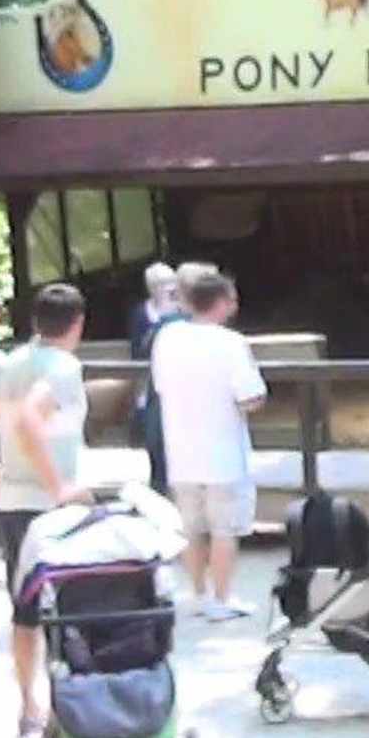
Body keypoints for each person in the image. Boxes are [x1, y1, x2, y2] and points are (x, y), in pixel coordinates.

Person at [0, 282, 90, 738]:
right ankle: (63, 710)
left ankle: (29, 707)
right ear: (77, 325)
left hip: (11, 504)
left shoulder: (11, 364)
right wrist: (59, 487)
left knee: (25, 610)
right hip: (50, 506)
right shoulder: (64, 367)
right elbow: (32, 419)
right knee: (66, 610)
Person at [149, 270, 267, 620]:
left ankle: (199, 594)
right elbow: (250, 396)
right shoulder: (231, 343)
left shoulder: (167, 338)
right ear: (221, 303)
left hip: (181, 449)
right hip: (223, 453)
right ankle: (222, 597)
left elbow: (159, 386)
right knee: (223, 529)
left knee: (190, 528)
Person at [129, 262, 187, 492]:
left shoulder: (183, 311)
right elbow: (138, 349)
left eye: (172, 282)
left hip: (177, 380)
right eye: (162, 284)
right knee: (154, 436)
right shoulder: (141, 313)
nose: (169, 288)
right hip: (149, 381)